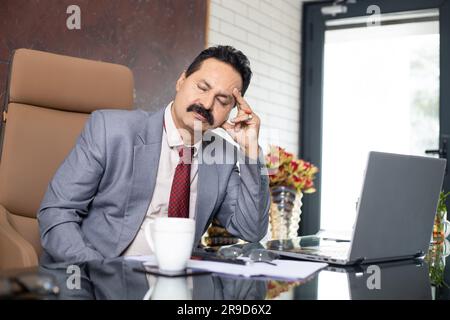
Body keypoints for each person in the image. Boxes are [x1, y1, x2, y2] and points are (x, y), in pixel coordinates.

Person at [37, 45, 270, 263]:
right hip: (104, 280)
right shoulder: (111, 130)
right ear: (181, 80)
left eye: (222, 100)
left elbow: (250, 229)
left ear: (232, 110)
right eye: (202, 87)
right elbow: (57, 212)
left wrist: (250, 150)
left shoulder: (223, 155)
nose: (207, 104)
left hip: (177, 286)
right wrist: (97, 270)